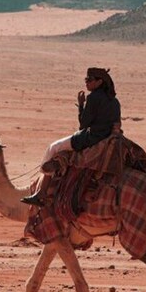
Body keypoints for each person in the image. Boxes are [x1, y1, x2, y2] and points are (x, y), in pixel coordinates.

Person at [21, 67, 121, 206]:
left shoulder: (93, 97)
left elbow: (83, 124)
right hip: (108, 139)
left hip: (90, 138)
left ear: (99, 82)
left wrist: (81, 105)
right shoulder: (114, 101)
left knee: (54, 148)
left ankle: (41, 192)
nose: (86, 83)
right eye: (86, 79)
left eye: (89, 80)